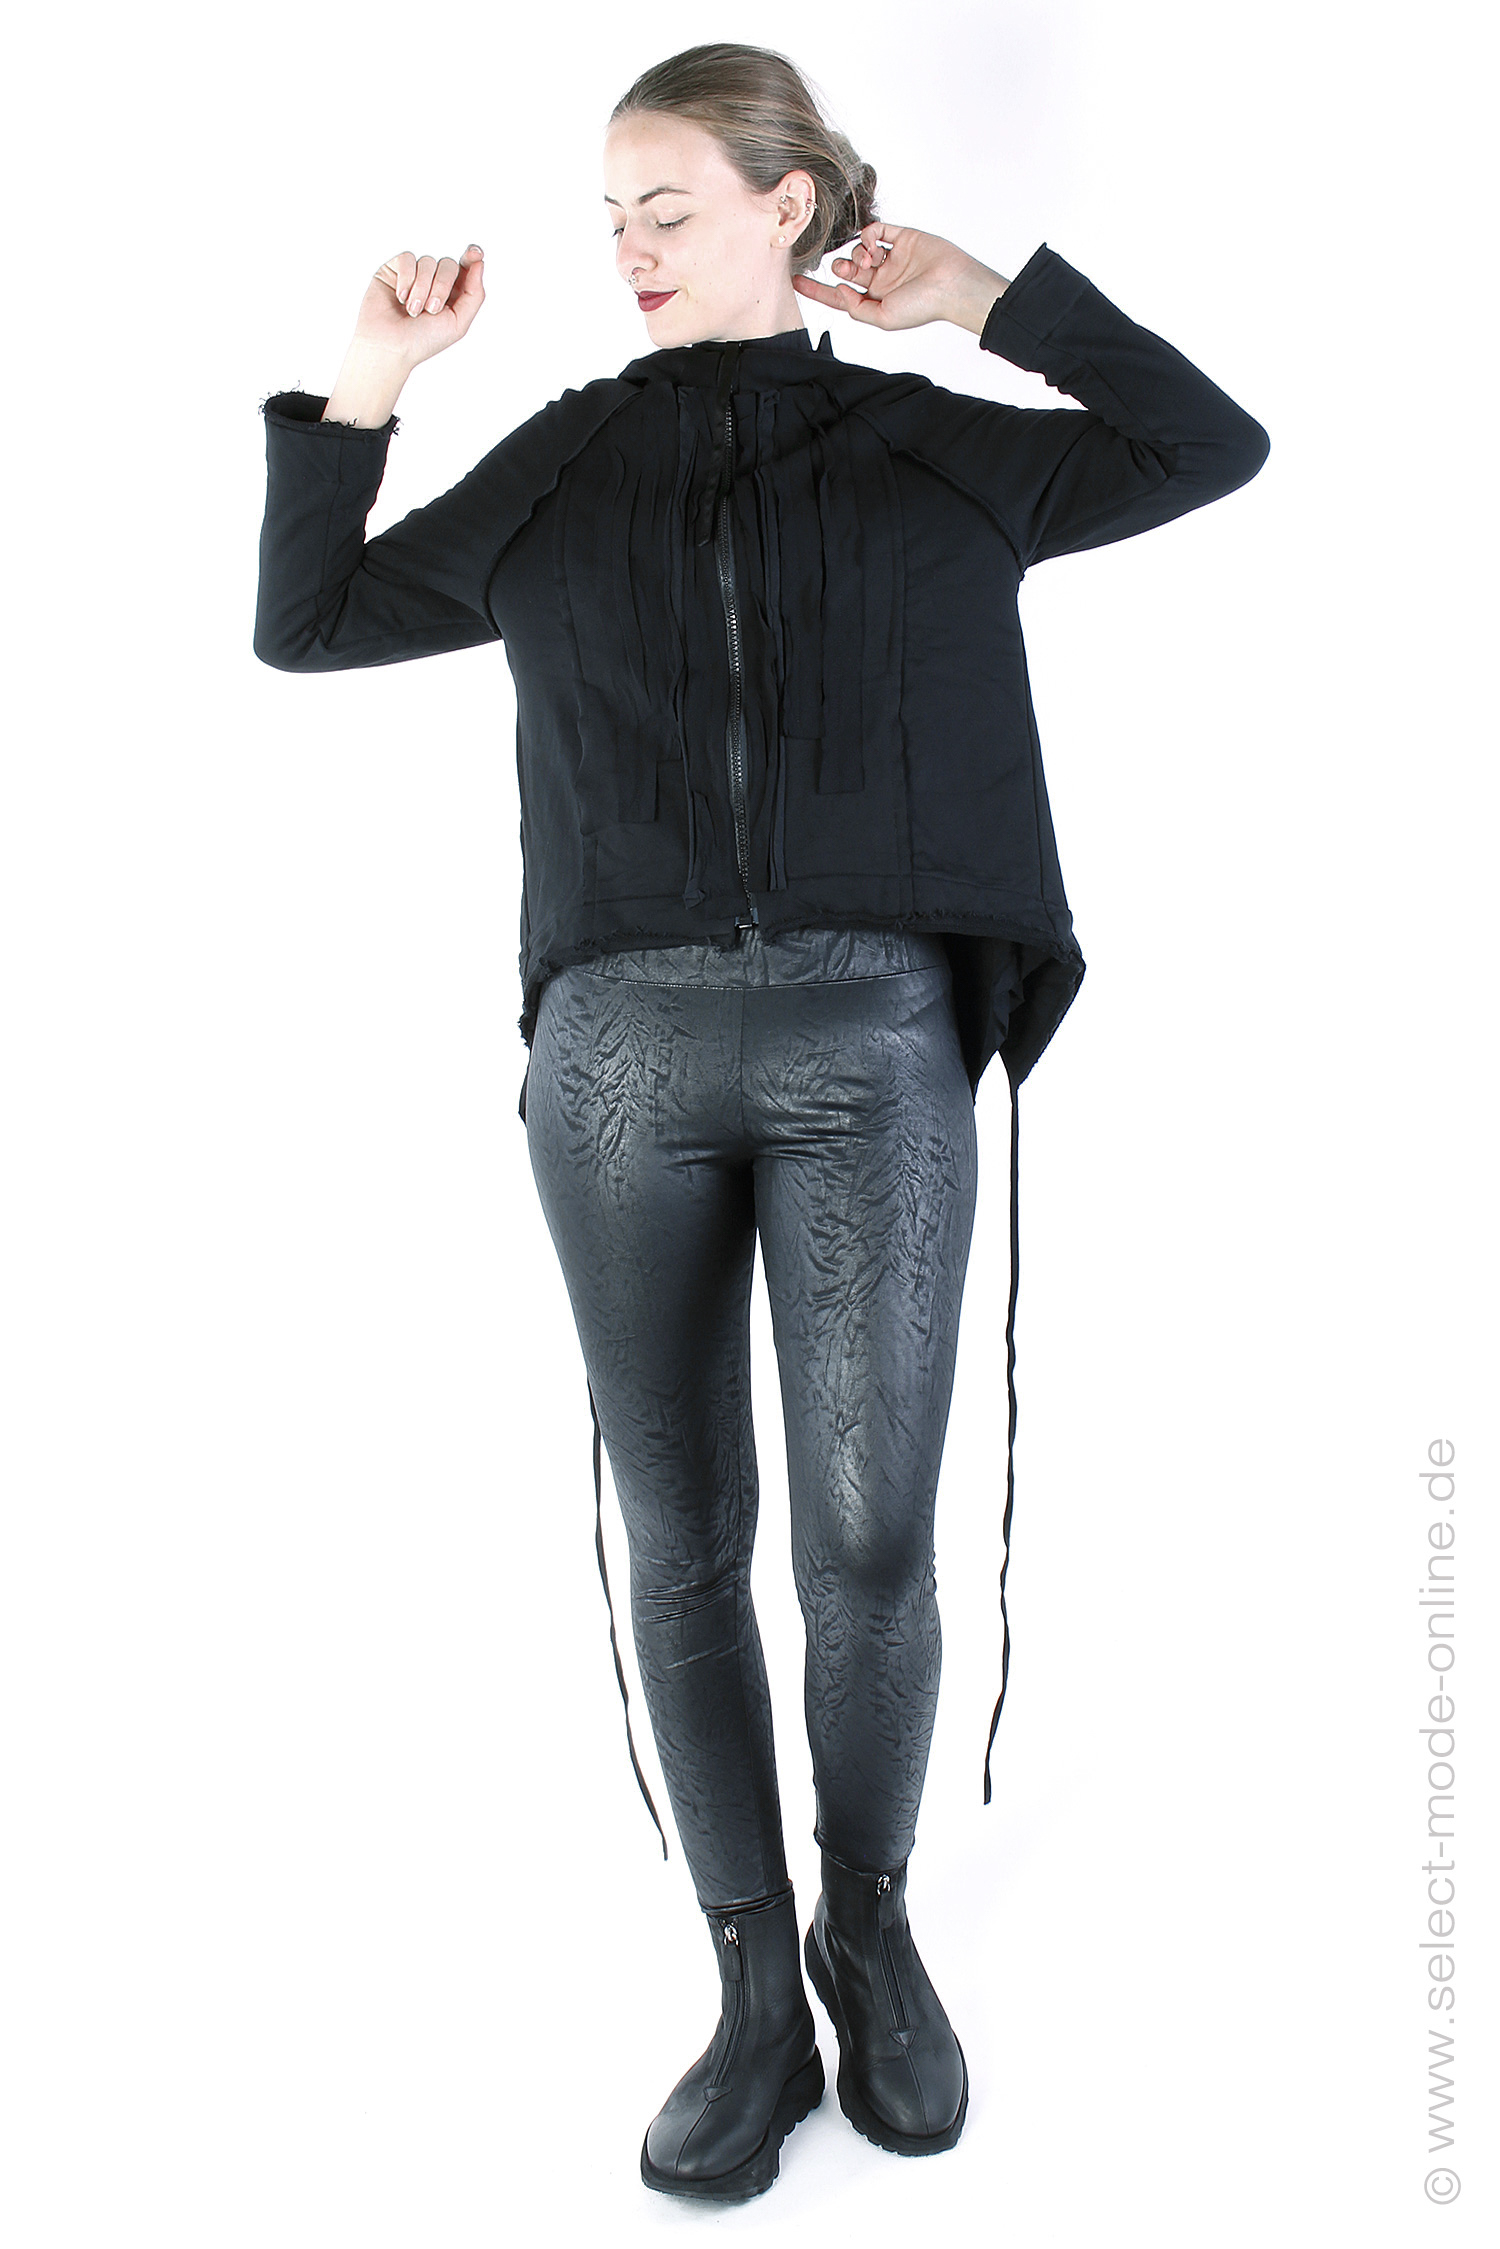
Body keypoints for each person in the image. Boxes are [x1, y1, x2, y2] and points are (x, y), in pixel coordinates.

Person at [253, 39, 1268, 2206]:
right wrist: (372, 382)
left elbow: (1211, 443)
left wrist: (983, 300)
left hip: (871, 1043)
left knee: (869, 1540)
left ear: (788, 208)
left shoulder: (929, 449)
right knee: (687, 1542)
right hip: (616, 1062)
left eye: (669, 207)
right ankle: (744, 1984)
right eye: (611, 216)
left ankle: (869, 1931)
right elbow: (308, 625)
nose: (629, 248)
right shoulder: (561, 465)